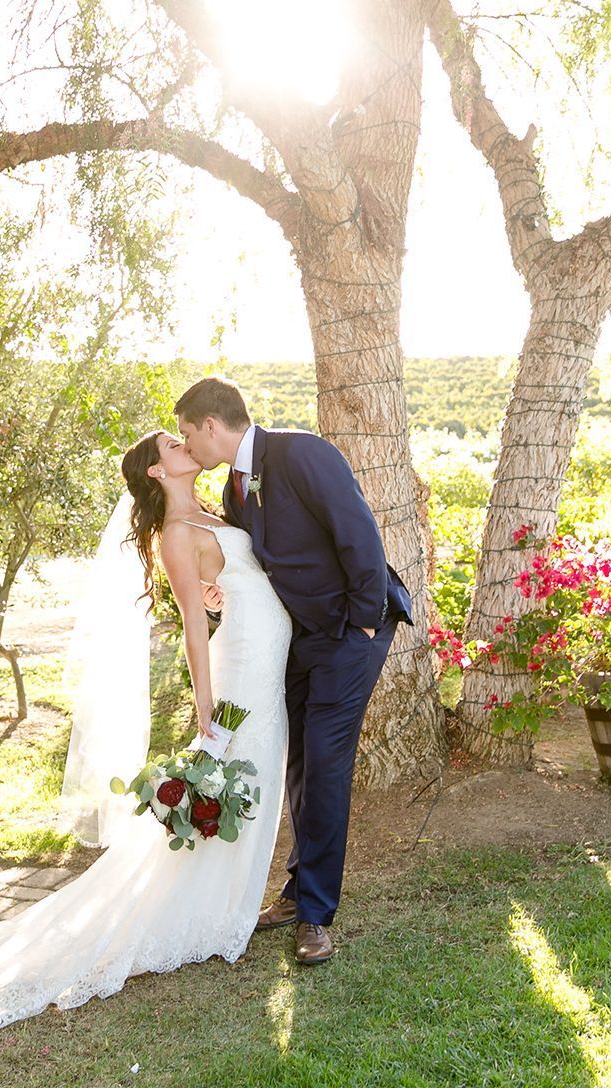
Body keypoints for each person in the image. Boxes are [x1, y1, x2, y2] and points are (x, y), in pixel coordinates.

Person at [0, 429, 292, 1034]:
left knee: (260, 780)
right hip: (242, 676)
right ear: (155, 472)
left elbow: (226, 589)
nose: (186, 447)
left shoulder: (214, 512)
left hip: (264, 657)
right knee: (244, 780)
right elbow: (191, 627)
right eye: (174, 446)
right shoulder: (178, 535)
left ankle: (228, 901)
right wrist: (206, 708)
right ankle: (211, 911)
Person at [175, 375, 412, 967]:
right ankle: (295, 890)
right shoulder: (234, 489)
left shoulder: (300, 451)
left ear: (210, 424)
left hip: (351, 629)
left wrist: (362, 618)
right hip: (299, 639)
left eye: (186, 433)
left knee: (327, 763)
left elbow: (356, 530)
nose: (187, 446)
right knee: (300, 763)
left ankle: (315, 916)